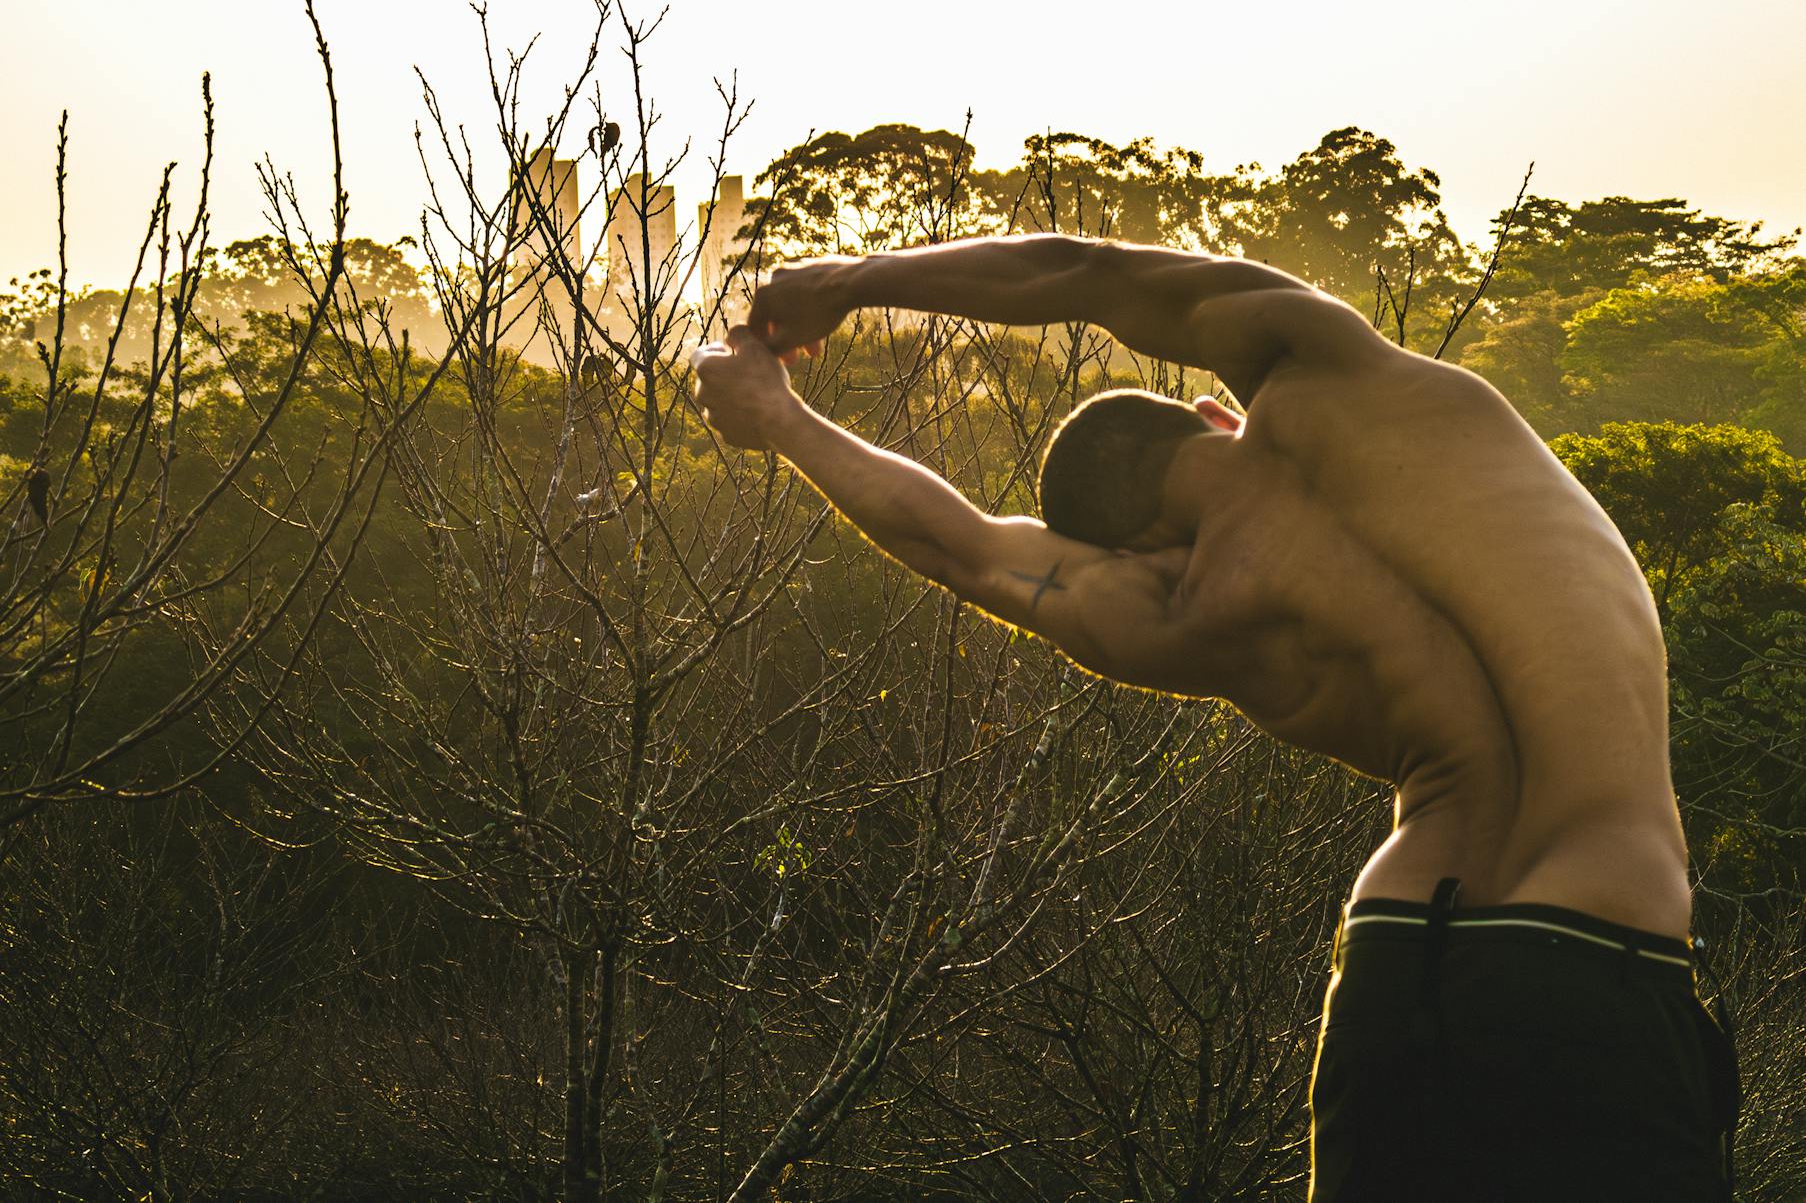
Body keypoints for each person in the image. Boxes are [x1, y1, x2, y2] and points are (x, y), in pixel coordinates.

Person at [688, 234, 1739, 1201]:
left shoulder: (1181, 607)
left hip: (1396, 959)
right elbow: (1087, 273)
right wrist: (852, 280)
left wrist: (779, 417)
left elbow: (959, 546)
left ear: (1135, 546)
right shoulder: (1329, 373)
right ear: (1207, 415)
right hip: (1594, 953)